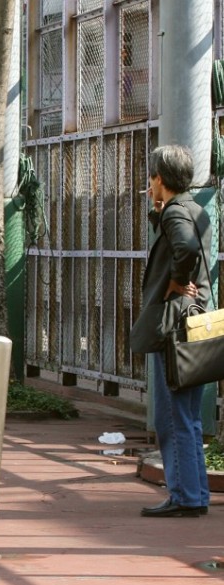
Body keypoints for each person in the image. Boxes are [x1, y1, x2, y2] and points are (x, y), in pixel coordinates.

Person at [138, 145, 212, 518]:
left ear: (161, 179)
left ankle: (183, 496)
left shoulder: (174, 214)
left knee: (171, 415)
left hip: (174, 325)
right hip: (196, 323)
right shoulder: (197, 210)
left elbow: (184, 249)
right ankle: (195, 494)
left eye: (151, 179)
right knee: (189, 414)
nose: (149, 186)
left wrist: (174, 282)